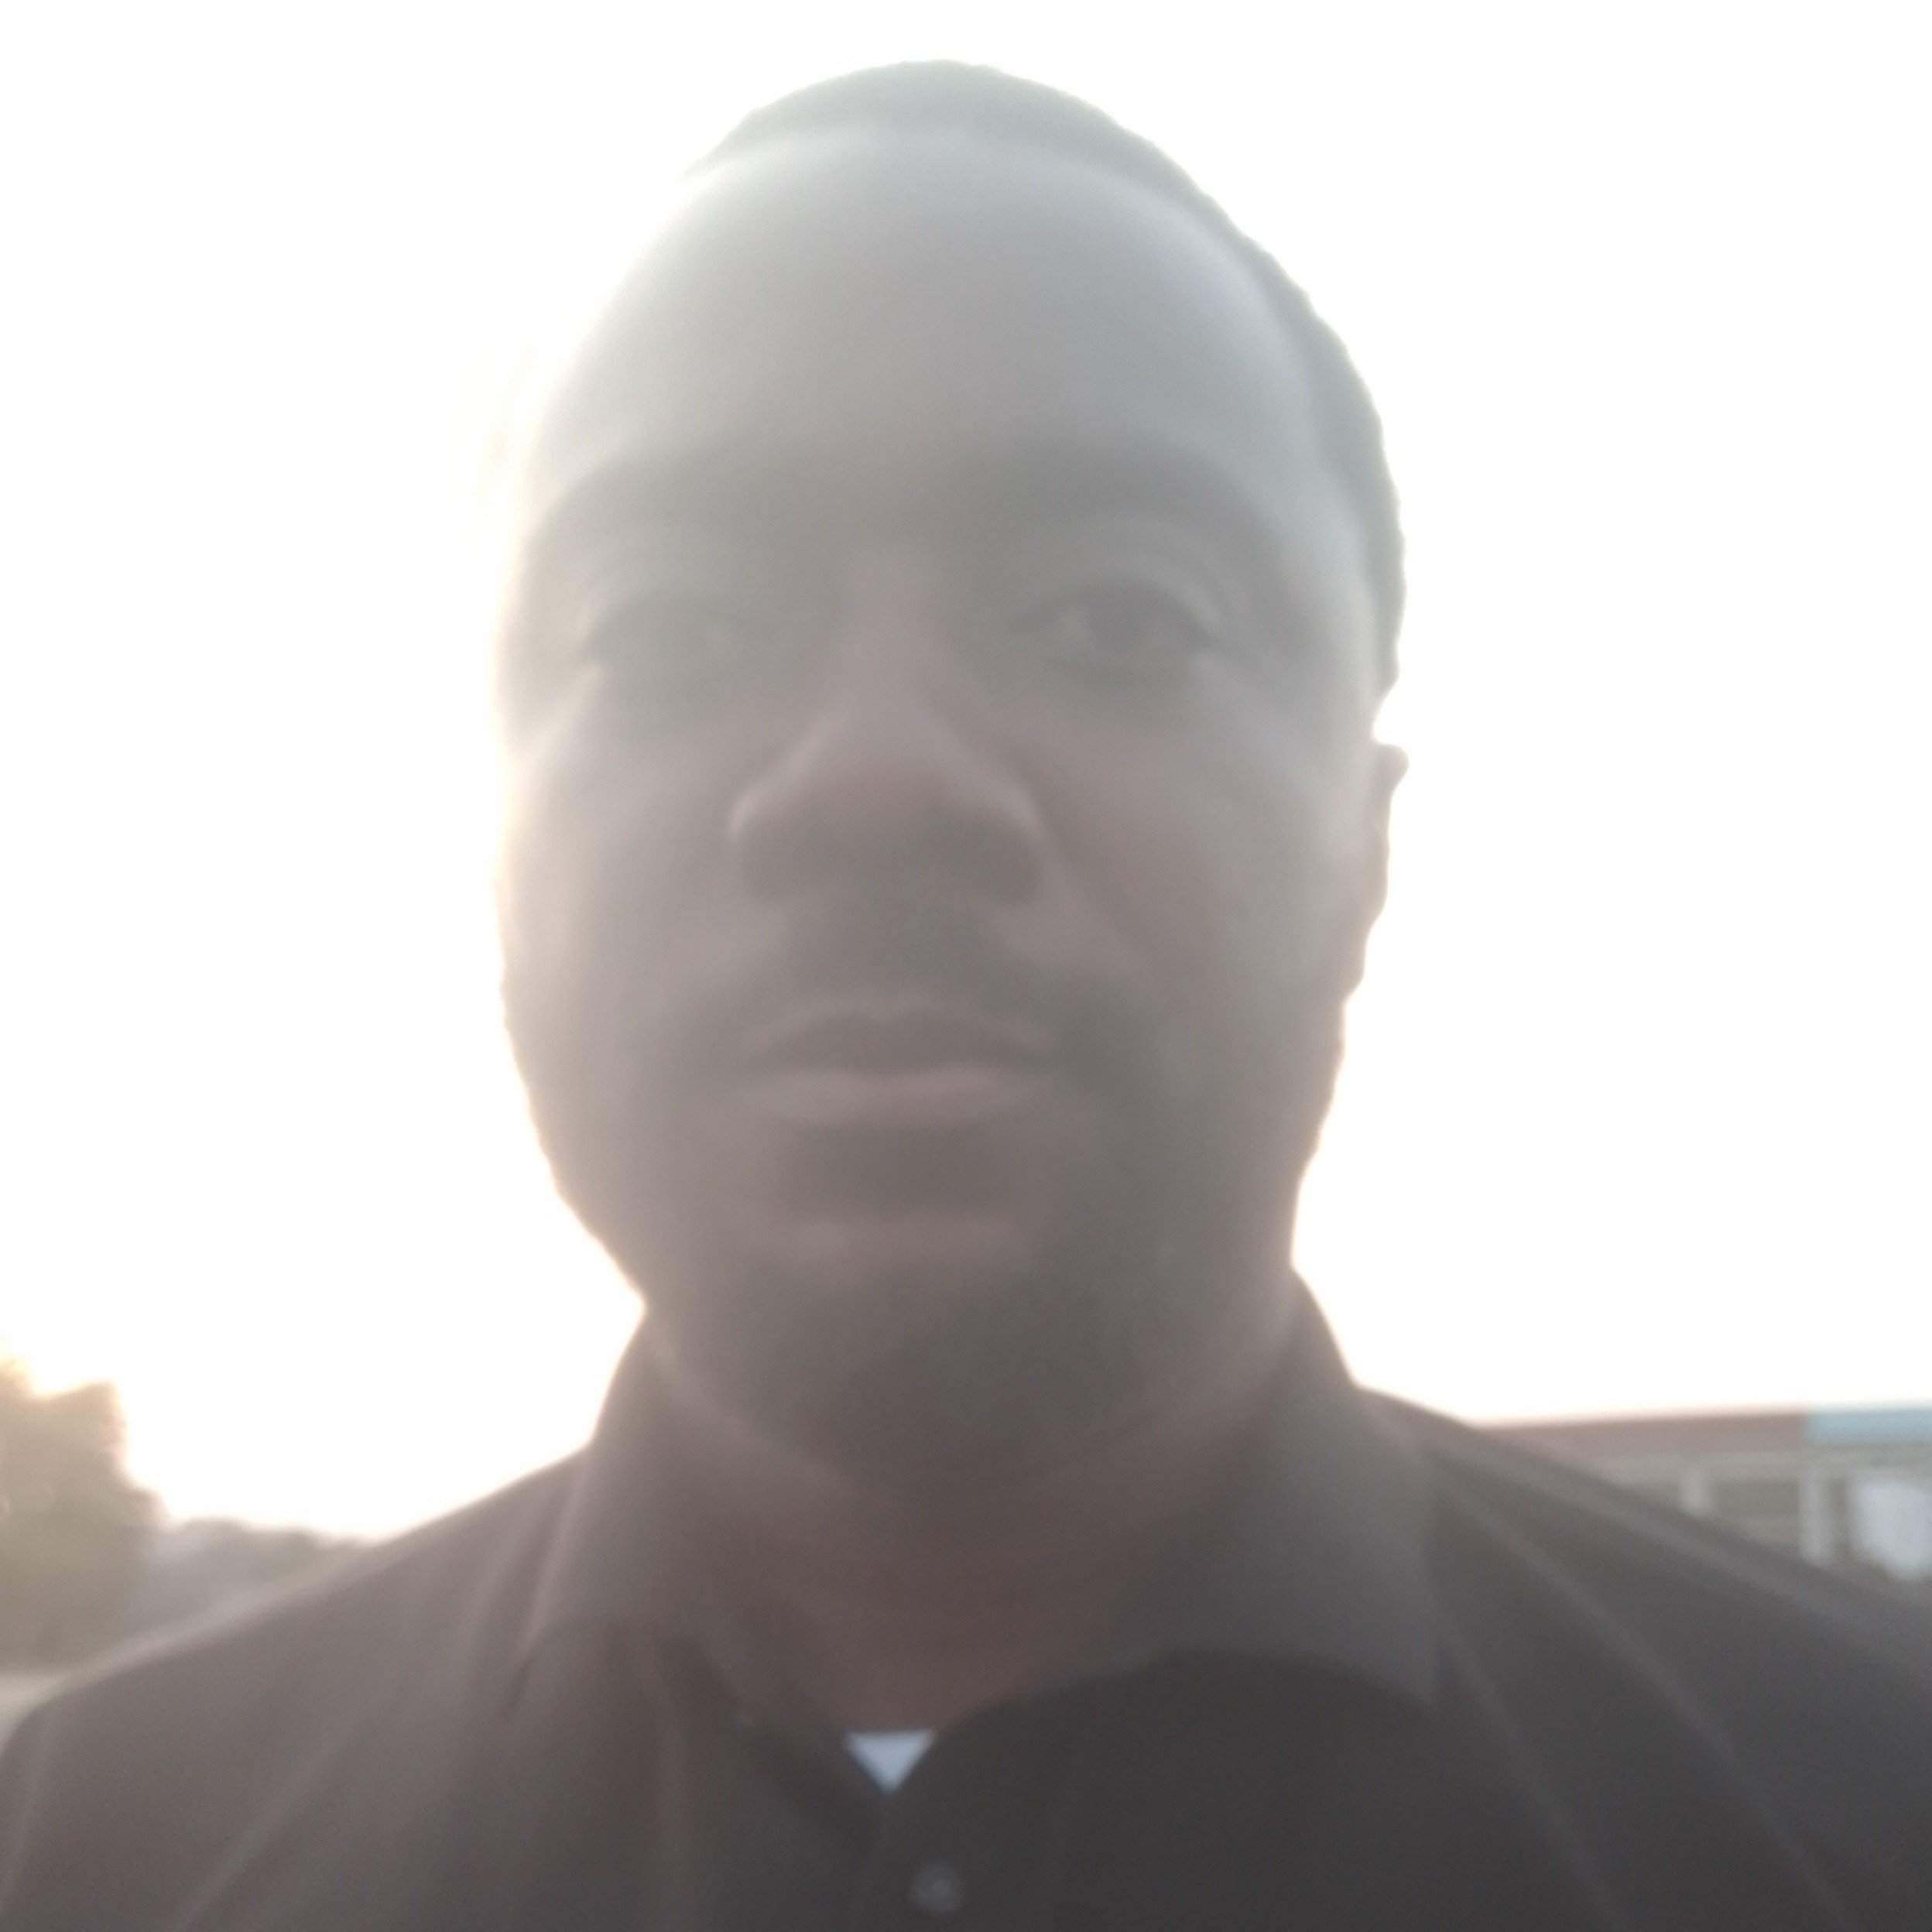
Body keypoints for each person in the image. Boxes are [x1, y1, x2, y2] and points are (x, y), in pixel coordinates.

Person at [2, 62, 1927, 1932]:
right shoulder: (87, 1853)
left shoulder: (1876, 1805)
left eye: (1121, 615)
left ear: (1367, 841)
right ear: (491, 837)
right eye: (664, 627)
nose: (874, 770)